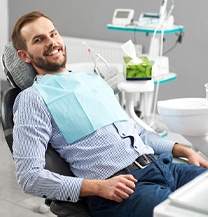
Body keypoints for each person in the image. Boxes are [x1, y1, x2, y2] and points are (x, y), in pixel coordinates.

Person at [11, 11, 208, 217]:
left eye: (53, 34)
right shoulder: (32, 99)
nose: (51, 42)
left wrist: (183, 150)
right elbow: (29, 177)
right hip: (122, 190)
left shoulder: (93, 81)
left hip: (162, 167)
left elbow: (137, 133)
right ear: (25, 55)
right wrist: (98, 187)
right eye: (39, 39)